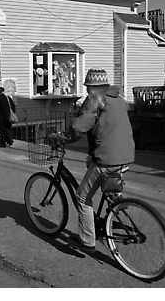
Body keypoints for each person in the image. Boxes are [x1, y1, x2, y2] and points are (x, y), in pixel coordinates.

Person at [65, 69, 135, 250]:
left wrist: (60, 137)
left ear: (93, 88)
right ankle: (117, 211)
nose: (87, 91)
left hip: (108, 158)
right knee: (93, 165)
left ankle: (87, 240)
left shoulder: (95, 101)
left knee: (81, 196)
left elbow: (78, 129)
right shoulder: (117, 100)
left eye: (88, 88)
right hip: (126, 155)